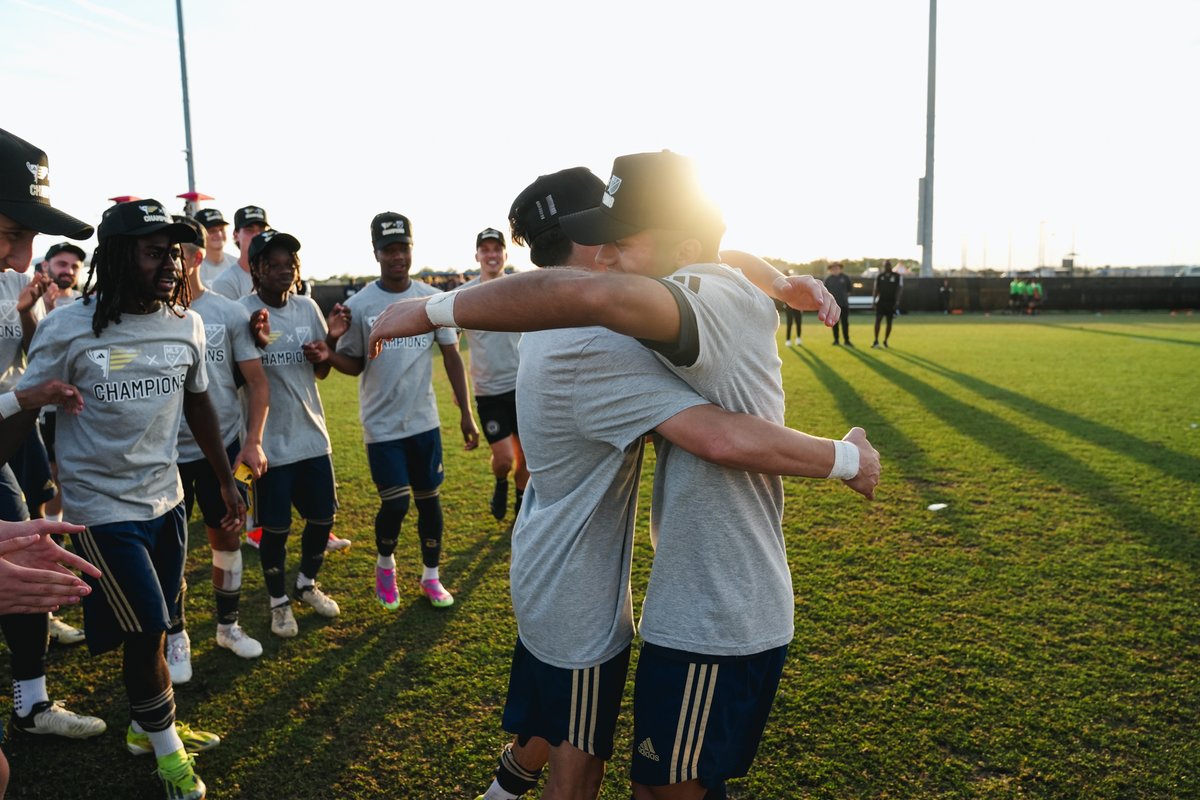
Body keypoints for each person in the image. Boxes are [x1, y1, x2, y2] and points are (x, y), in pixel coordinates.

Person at [369, 160, 879, 800]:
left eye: (623, 234)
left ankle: (502, 791)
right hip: (583, 592)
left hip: (610, 579)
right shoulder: (594, 340)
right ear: (582, 256)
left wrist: (776, 280)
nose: (611, 251)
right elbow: (714, 429)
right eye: (602, 237)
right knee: (580, 759)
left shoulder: (589, 315)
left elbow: (694, 260)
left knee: (582, 735)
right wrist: (847, 457)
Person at [10, 198, 244, 800]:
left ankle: (146, 727)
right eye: (153, 251)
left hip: (165, 503)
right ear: (117, 258)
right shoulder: (67, 326)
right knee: (146, 630)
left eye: (175, 252)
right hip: (98, 510)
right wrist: (31, 413)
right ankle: (170, 759)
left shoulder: (184, 321)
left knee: (160, 625)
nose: (171, 263)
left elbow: (198, 401)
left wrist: (222, 478)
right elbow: (29, 408)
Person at [306, 212, 478, 611]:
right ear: (376, 253)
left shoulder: (432, 299)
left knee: (430, 502)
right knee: (396, 504)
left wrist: (465, 413)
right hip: (382, 426)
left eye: (403, 248)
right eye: (389, 250)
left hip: (424, 422)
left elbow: (451, 356)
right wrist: (331, 352)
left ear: (411, 249)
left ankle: (431, 578)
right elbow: (353, 364)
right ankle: (386, 566)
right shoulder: (359, 304)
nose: (397, 256)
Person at [0, 128, 108, 759]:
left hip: (6, 444)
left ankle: (31, 700)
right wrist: (26, 398)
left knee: (28, 551)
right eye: (12, 233)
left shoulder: (8, 284)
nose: (21, 258)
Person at [163, 215, 269, 684]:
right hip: (163, 455)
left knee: (227, 537)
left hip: (221, 450)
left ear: (196, 256)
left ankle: (227, 626)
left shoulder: (226, 313)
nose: (169, 261)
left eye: (178, 252)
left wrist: (252, 441)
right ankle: (176, 635)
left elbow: (257, 382)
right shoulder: (148, 316)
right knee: (169, 551)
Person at [240, 229, 343, 638]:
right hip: (269, 444)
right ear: (257, 270)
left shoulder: (307, 308)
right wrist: (255, 342)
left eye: (290, 264)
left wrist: (327, 347)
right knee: (276, 530)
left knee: (323, 518)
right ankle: (278, 602)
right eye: (274, 265)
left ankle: (306, 585)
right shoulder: (242, 313)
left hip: (313, 436)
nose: (285, 271)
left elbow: (320, 371)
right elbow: (235, 379)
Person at [36, 242, 88, 644]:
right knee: (43, 486)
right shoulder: (34, 298)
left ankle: (54, 549)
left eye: (73, 265)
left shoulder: (84, 306)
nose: (67, 270)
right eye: (61, 263)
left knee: (60, 481)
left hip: (69, 414)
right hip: (32, 415)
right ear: (47, 265)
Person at [459, 228, 527, 520]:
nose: (491, 255)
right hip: (488, 392)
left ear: (505, 254)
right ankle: (501, 482)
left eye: (496, 249)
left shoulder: (520, 289)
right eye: (485, 250)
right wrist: (458, 387)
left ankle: (522, 503)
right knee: (504, 459)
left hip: (523, 387)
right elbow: (452, 343)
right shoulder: (465, 296)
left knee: (526, 457)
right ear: (477, 256)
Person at [210, 205, 268, 301]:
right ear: (236, 235)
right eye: (250, 230)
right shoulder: (225, 282)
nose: (257, 235)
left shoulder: (279, 275)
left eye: (262, 230)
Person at [194, 208, 239, 288]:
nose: (219, 234)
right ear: (200, 234)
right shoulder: (194, 267)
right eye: (212, 231)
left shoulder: (236, 264)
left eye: (222, 229)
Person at [872, 259, 902, 348]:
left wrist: (897, 302)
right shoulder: (880, 276)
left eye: (888, 265)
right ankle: (876, 340)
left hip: (891, 302)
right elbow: (876, 289)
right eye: (885, 265)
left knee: (889, 322)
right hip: (881, 301)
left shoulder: (896, 276)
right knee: (878, 320)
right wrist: (873, 301)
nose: (887, 267)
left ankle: (885, 341)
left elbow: (899, 289)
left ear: (891, 266)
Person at [824, 261, 853, 346]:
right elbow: (825, 292)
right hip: (832, 306)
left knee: (845, 323)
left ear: (840, 268)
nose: (835, 269)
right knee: (834, 323)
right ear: (831, 269)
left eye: (837, 268)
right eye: (833, 268)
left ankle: (846, 340)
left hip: (844, 304)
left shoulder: (845, 278)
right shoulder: (828, 279)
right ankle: (836, 340)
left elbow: (849, 290)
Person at [782, 272, 802, 345]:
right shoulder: (784, 284)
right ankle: (788, 340)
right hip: (788, 307)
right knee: (789, 323)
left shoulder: (798, 285)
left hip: (797, 306)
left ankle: (798, 338)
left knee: (798, 322)